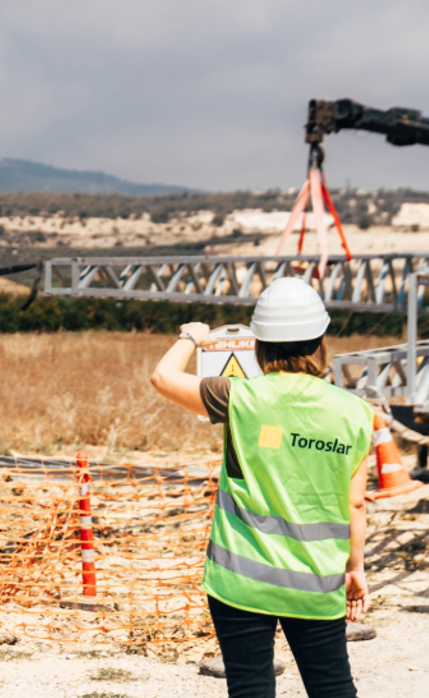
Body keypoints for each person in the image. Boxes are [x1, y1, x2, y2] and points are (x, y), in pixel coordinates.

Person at [150, 277, 371, 698]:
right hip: (316, 577)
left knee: (250, 687)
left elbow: (163, 378)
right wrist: (354, 569)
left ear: (258, 344)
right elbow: (355, 502)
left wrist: (191, 337)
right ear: (321, 340)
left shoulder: (238, 397)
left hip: (240, 579)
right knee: (332, 687)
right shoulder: (355, 412)